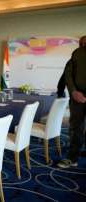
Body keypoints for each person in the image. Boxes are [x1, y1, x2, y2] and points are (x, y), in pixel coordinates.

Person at [57, 35, 86, 168]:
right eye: (82, 42)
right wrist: (73, 91)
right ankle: (72, 157)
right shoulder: (77, 54)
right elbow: (67, 74)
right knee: (75, 127)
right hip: (77, 96)